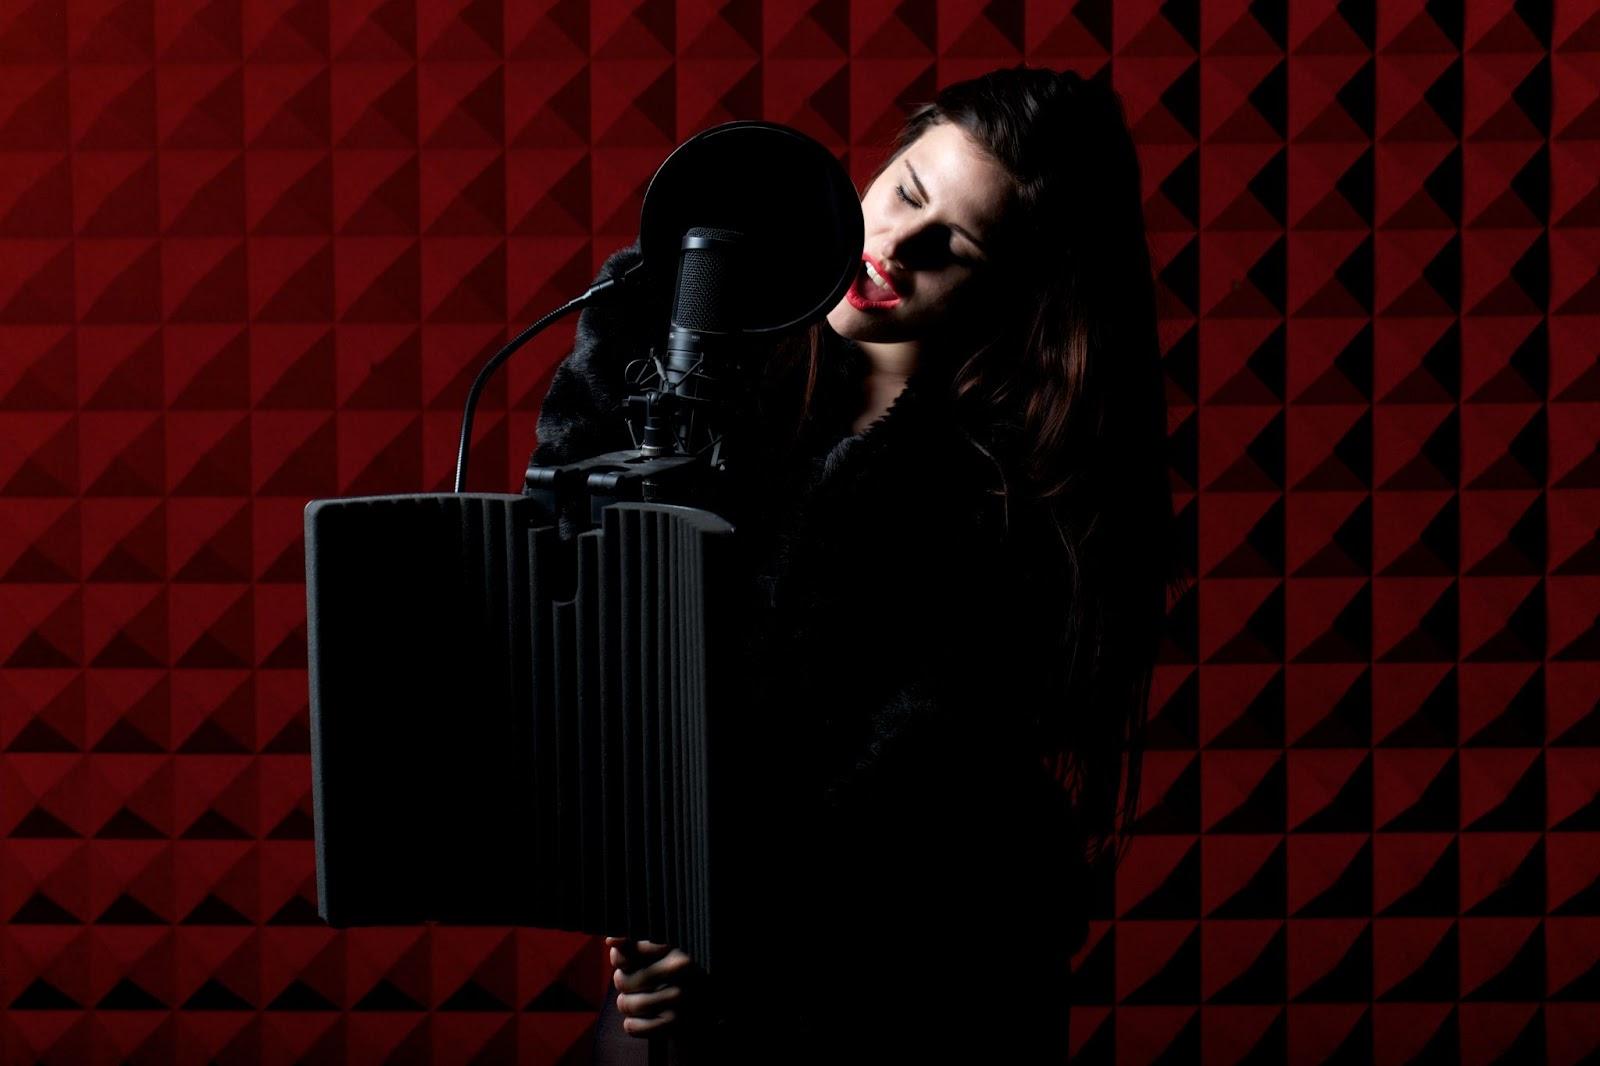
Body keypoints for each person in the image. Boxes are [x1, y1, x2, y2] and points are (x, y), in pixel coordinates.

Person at [528, 63, 1186, 1065]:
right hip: (690, 951)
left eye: (950, 246)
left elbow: (917, 792)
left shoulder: (1013, 503)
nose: (896, 248)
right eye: (905, 194)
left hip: (914, 991)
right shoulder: (718, 376)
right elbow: (579, 584)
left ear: (1013, 290)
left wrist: (727, 934)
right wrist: (647, 319)